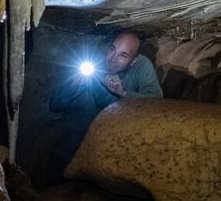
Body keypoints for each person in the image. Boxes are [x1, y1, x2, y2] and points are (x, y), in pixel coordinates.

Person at [43, 32, 163, 186]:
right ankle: (56, 184)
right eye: (112, 49)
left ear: (133, 61)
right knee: (82, 107)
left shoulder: (141, 66)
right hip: (86, 128)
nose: (112, 59)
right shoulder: (93, 62)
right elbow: (55, 104)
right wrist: (74, 84)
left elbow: (157, 102)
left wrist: (123, 93)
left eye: (122, 55)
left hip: (123, 129)